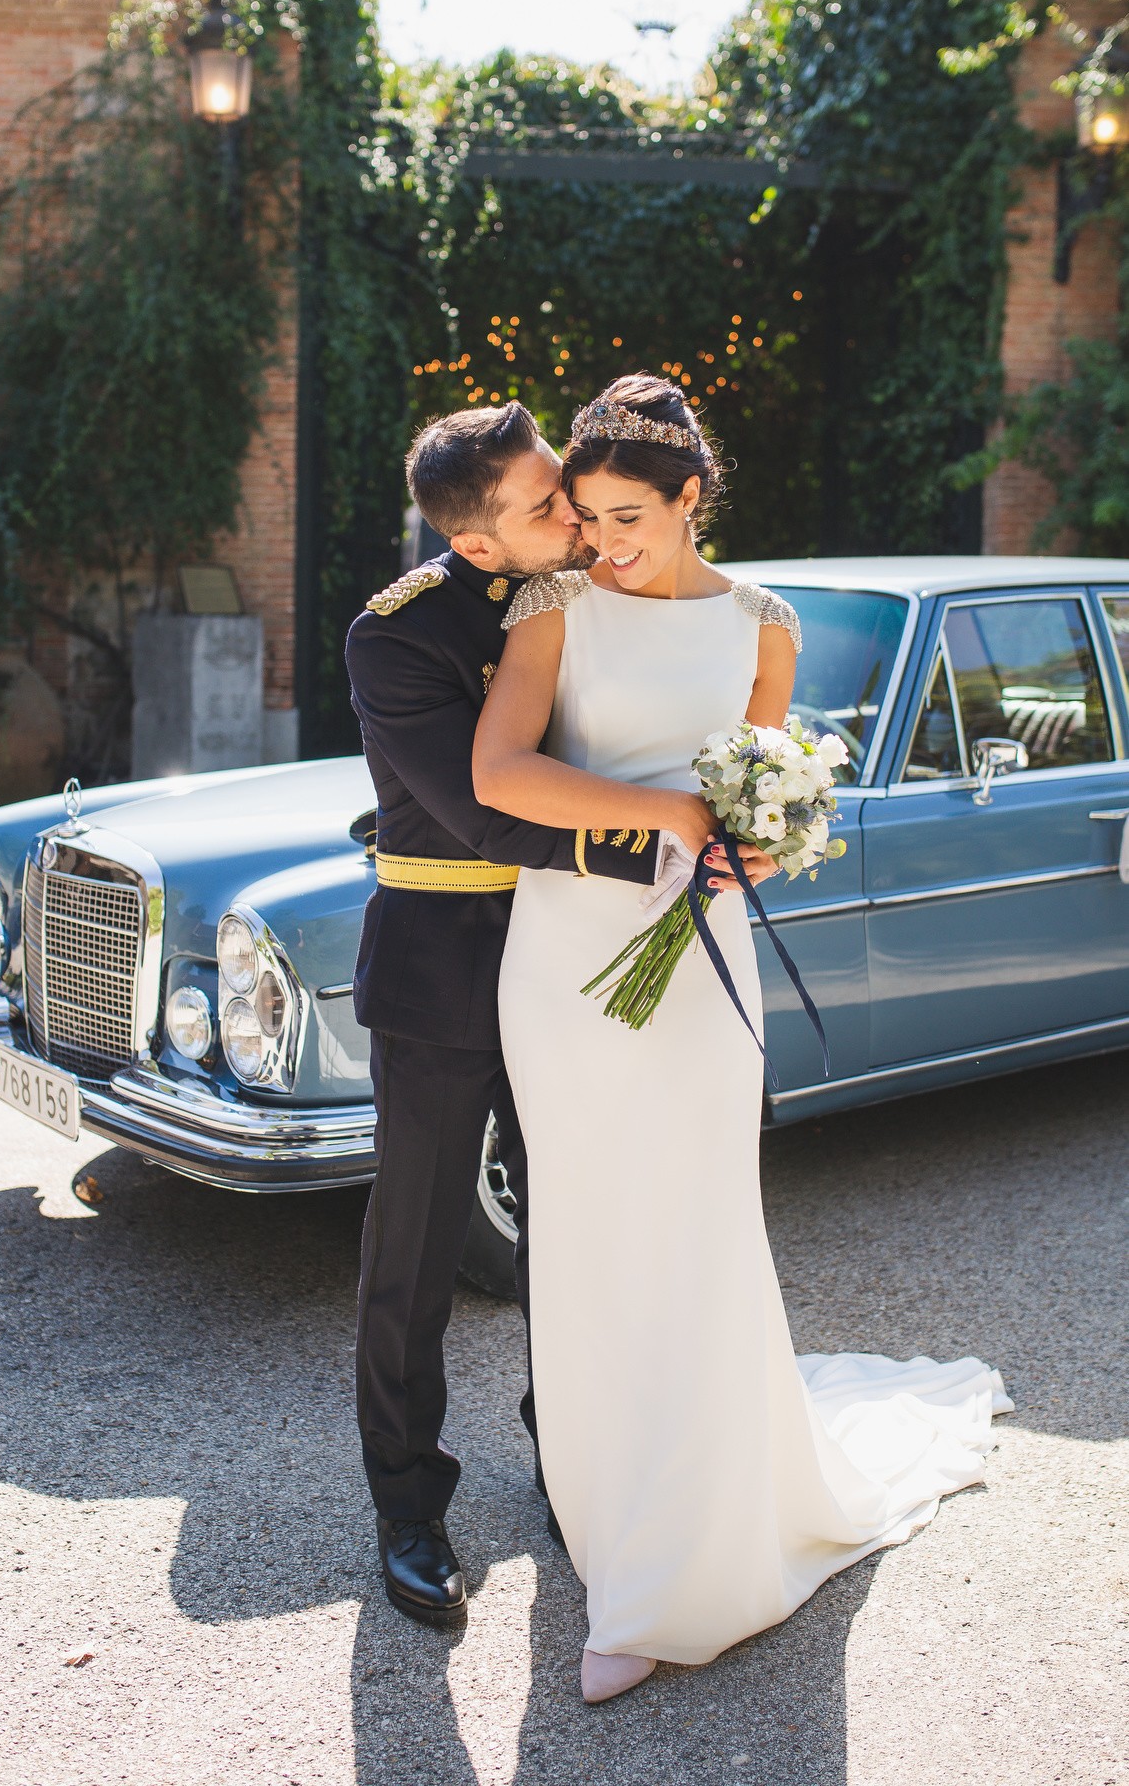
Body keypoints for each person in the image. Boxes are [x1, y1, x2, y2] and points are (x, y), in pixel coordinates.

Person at [473, 374, 1012, 1704]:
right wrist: (668, 812)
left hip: (701, 960)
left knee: (700, 1227)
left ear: (690, 499)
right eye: (589, 518)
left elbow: (757, 788)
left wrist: (762, 842)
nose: (604, 543)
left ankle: (682, 1564)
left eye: (629, 518)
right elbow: (499, 772)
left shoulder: (764, 625)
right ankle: (613, 1524)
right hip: (565, 961)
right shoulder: (553, 606)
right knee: (589, 1239)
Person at [344, 400, 732, 1630]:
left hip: (568, 958)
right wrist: (665, 843)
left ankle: (570, 1464)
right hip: (443, 965)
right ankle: (409, 1506)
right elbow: (481, 812)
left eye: (561, 485)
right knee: (415, 1250)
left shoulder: (583, 589)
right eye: (541, 504)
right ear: (474, 540)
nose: (570, 512)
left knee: (569, 1230)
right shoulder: (396, 633)